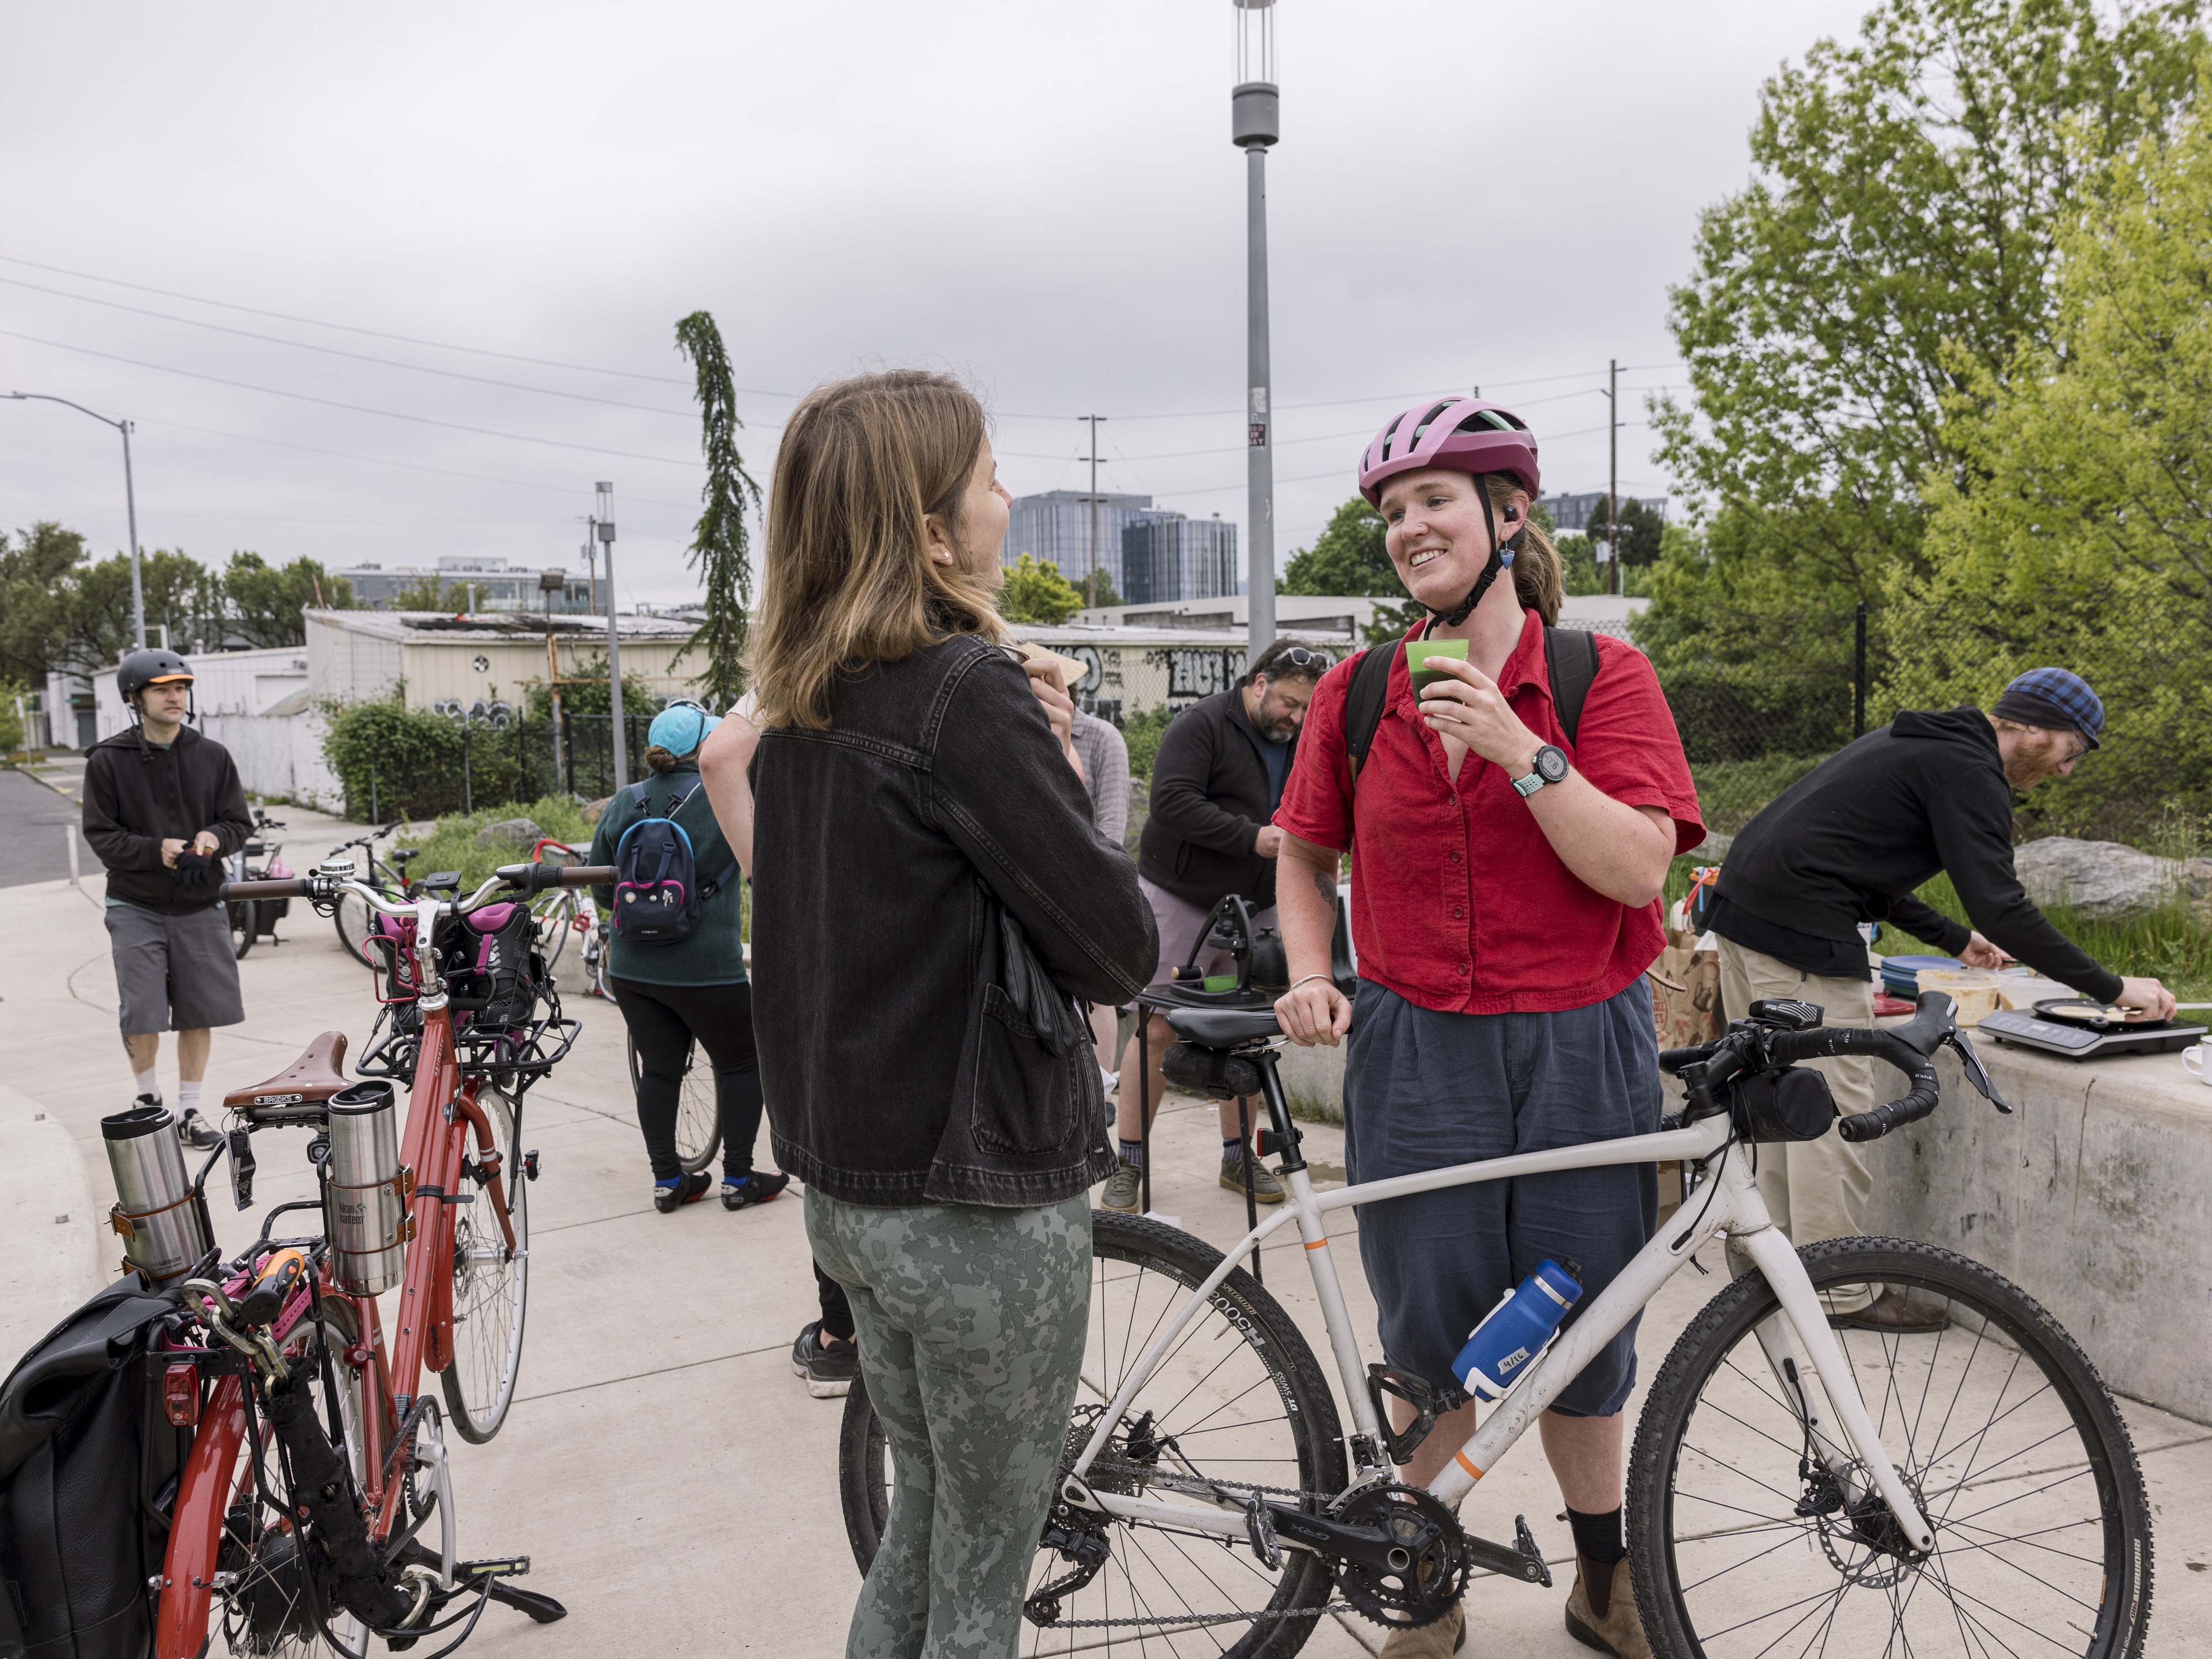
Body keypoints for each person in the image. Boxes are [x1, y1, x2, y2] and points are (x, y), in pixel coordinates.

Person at [698, 368, 1154, 1659]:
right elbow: (1114, 943)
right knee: (978, 1578)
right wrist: (1053, 759)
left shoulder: (805, 703)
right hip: (978, 1203)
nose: (1006, 499)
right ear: (931, 523)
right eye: (990, 475)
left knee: (925, 1528)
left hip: (856, 1194)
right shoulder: (966, 687)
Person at [1271, 400, 1703, 1659]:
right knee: (1428, 1338)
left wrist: (1522, 749)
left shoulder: (1598, 677)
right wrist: (1310, 969)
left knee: (1582, 1328)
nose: (1408, 526)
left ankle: (1600, 1574)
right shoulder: (1354, 695)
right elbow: (1302, 854)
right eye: (1391, 512)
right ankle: (1427, 1571)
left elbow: (1639, 873)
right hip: (1417, 1050)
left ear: (1509, 516)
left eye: (1435, 501)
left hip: (1583, 1045)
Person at [1705, 665, 2170, 1332]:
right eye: (2071, 752)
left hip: (1746, 918)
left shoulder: (1921, 743)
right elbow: (2004, 907)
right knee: (1826, 1119)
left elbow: (1861, 861)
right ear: (2033, 728)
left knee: (1778, 1111)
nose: (2067, 771)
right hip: (1799, 933)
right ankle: (1836, 1294)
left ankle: (1766, 1278)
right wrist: (2113, 988)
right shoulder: (1969, 773)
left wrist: (1953, 938)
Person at [1102, 636, 1328, 1213]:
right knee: (1156, 1027)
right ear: (1257, 683)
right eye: (1286, 702)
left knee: (1250, 1030)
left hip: (1260, 902)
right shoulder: (1199, 724)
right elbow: (1170, 801)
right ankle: (1127, 1162)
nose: (1295, 717)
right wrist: (1252, 837)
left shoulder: (1306, 734)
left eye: (1305, 707)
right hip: (1181, 896)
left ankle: (1238, 1156)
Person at [587, 701, 783, 1213]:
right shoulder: (719, 793)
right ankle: (739, 1177)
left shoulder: (624, 801)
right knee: (742, 1061)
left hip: (632, 970)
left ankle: (668, 1180)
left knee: (659, 1068)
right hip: (706, 970)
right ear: (704, 746)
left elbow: (602, 889)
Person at [82, 648, 253, 1152]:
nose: (174, 696)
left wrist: (213, 839)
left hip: (201, 902)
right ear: (135, 698)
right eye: (162, 689)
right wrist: (154, 850)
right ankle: (147, 1098)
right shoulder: (108, 760)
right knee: (143, 1010)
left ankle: (191, 1109)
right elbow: (101, 836)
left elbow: (239, 823)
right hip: (135, 904)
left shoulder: (212, 755)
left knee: (199, 1010)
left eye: (180, 687)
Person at [1068, 703, 1132, 1084]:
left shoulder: (1102, 737)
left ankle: (1101, 1093)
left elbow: (1112, 822)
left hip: (1091, 882)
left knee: (1097, 991)